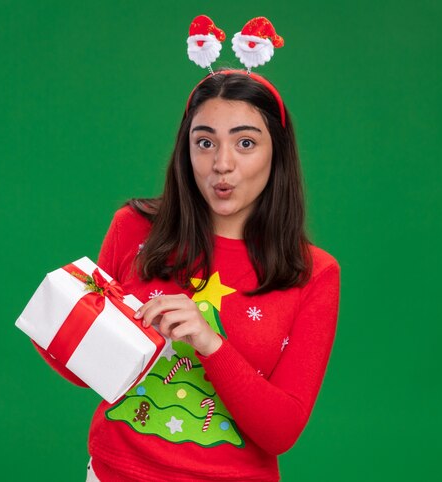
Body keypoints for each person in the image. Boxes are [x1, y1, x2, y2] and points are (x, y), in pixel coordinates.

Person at [33, 69, 340, 481]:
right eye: (205, 142)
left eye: (245, 142)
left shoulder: (314, 273)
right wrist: (59, 318)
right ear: (186, 149)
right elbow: (85, 372)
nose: (221, 164)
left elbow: (281, 431)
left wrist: (210, 343)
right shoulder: (133, 228)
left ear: (277, 152)